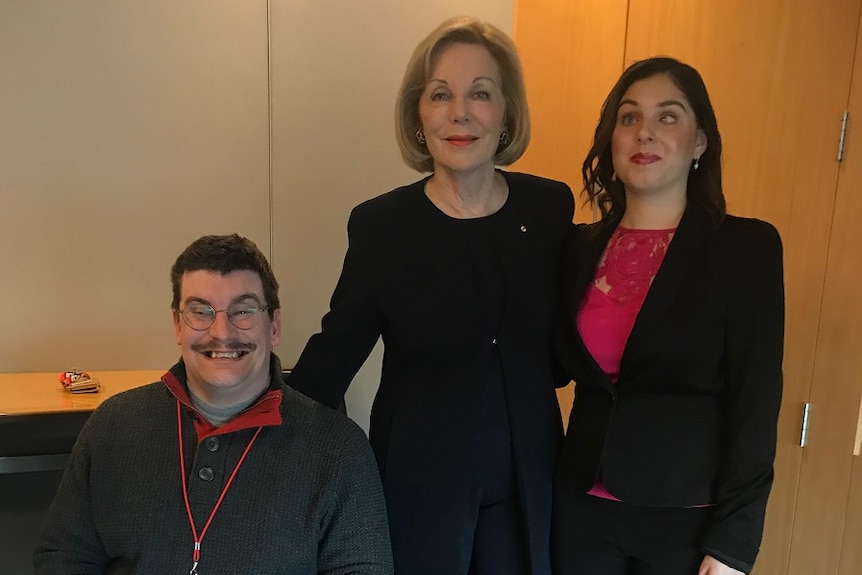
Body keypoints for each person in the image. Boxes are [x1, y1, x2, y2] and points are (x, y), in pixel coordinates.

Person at [287, 16, 575, 575]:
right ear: (418, 117)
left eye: (481, 94)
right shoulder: (382, 226)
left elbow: (569, 339)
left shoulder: (548, 210)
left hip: (528, 488)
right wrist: (252, 417)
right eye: (440, 94)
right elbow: (333, 355)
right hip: (418, 490)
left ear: (507, 111)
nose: (459, 112)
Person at [33, 234, 393, 575]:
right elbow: (64, 555)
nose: (222, 332)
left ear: (274, 326)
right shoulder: (113, 425)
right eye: (201, 311)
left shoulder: (340, 450)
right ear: (177, 325)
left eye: (243, 311)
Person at [551, 57, 784, 575]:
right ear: (611, 140)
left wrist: (735, 545)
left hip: (687, 521)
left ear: (700, 141)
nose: (645, 133)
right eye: (629, 117)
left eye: (669, 116)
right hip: (579, 511)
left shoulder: (747, 250)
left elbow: (756, 403)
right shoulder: (576, 247)